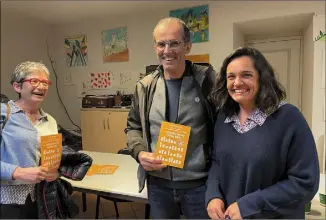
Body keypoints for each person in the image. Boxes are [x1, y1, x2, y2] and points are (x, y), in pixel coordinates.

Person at [206, 47, 320, 219]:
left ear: (262, 78)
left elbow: (305, 183)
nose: (237, 83)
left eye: (246, 75)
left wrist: (249, 206)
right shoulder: (223, 118)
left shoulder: (288, 118)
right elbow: (216, 162)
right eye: (231, 77)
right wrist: (213, 195)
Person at [125, 17, 216, 219]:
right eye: (161, 44)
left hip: (199, 186)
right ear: (155, 47)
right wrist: (139, 153)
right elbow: (133, 127)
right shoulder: (144, 87)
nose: (167, 50)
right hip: (159, 187)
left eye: (174, 43)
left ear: (188, 46)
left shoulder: (207, 82)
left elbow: (224, 128)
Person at [0, 61, 92, 219]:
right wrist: (17, 172)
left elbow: (51, 158)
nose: (41, 87)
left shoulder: (50, 121)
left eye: (45, 82)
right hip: (8, 201)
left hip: (43, 198)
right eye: (34, 81)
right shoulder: (4, 114)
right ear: (17, 86)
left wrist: (55, 172)